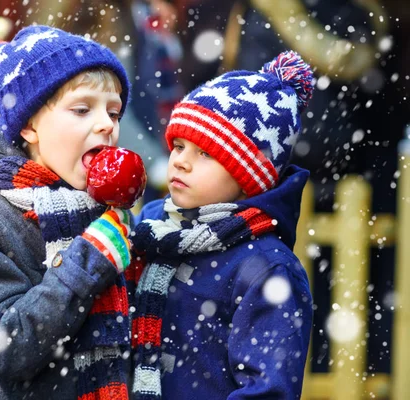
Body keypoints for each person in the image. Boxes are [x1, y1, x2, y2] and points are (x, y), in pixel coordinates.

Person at [0, 26, 135, 399]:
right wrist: (89, 261)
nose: (106, 124)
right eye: (82, 109)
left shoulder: (99, 209)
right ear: (29, 124)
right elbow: (6, 350)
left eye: (114, 112)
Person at [128, 51, 314, 399]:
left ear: (248, 178)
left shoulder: (265, 268)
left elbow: (267, 389)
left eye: (206, 154)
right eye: (179, 146)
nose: (181, 161)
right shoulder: (150, 229)